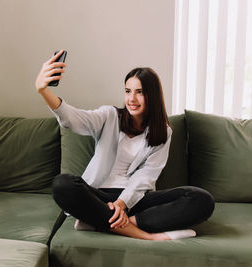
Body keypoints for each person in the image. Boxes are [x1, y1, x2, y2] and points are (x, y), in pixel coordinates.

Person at [34, 50, 215, 241]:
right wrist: (43, 90)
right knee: (62, 184)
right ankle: (147, 236)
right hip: (97, 197)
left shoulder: (163, 132)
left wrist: (122, 204)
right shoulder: (109, 116)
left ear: (152, 96)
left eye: (139, 92)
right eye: (128, 91)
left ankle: (98, 221)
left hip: (134, 200)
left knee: (201, 199)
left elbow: (146, 176)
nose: (131, 99)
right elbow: (75, 120)